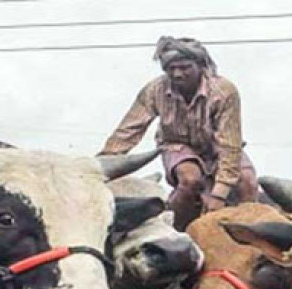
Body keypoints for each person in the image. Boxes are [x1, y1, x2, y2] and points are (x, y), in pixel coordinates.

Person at [100, 36, 259, 229]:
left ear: (200, 65)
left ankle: (250, 232)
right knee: (190, 179)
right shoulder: (155, 90)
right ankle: (175, 230)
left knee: (247, 182)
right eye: (171, 68)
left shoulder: (224, 91)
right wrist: (102, 165)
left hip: (218, 146)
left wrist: (219, 194)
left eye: (185, 67)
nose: (177, 74)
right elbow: (129, 130)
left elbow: (230, 144)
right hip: (177, 145)